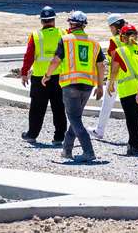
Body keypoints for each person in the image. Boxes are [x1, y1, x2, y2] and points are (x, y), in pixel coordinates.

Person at [42, 11, 105, 163]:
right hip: (87, 86)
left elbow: (56, 61)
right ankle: (66, 150)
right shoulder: (94, 43)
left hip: (70, 85)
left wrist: (47, 75)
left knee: (75, 119)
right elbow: (101, 65)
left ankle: (88, 151)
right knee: (75, 118)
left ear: (71, 24)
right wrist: (100, 85)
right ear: (84, 25)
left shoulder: (66, 40)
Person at [19, 6, 66, 146]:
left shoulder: (35, 35)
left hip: (39, 77)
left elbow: (28, 56)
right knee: (59, 107)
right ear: (53, 20)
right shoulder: (63, 33)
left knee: (37, 108)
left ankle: (32, 135)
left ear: (42, 21)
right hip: (59, 76)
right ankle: (59, 138)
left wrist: (24, 73)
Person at [107, 24, 138, 156]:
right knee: (137, 117)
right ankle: (136, 143)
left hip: (127, 90)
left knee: (131, 118)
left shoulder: (120, 51)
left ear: (123, 37)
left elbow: (115, 69)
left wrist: (111, 84)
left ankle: (133, 144)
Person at [92, 13, 127, 140]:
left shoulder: (115, 41)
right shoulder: (132, 38)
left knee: (107, 104)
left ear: (116, 27)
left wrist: (110, 80)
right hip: (130, 78)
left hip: (116, 77)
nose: (110, 30)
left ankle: (99, 130)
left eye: (111, 27)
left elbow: (114, 62)